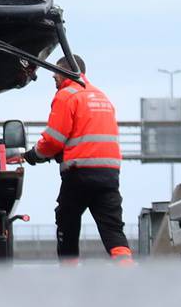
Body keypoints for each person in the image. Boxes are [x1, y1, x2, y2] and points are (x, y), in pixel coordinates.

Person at [21, 55, 132, 261]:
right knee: (113, 230)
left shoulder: (67, 96)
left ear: (65, 72)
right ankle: (127, 270)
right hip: (109, 175)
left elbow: (54, 140)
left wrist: (33, 155)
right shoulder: (101, 96)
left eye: (55, 71)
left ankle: (69, 277)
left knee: (67, 221)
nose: (53, 76)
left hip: (79, 174)